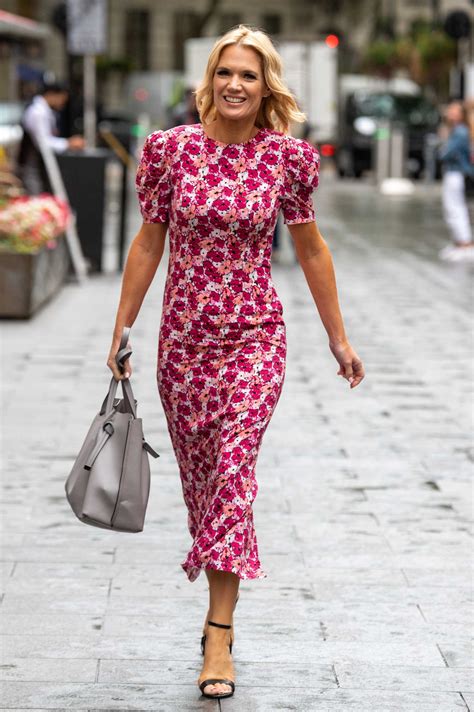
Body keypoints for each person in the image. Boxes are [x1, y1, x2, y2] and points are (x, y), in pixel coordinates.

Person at [106, 24, 365, 701]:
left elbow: (311, 251)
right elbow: (148, 243)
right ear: (209, 81)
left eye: (249, 74)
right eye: (226, 72)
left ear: (265, 86)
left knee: (232, 471)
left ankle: (219, 633)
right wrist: (122, 326)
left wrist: (339, 338)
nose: (236, 85)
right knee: (203, 483)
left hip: (256, 339)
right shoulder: (169, 152)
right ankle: (216, 610)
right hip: (183, 343)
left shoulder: (286, 159)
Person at [16, 82, 84, 195]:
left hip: (37, 166)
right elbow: (43, 143)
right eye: (62, 99)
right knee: (36, 199)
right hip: (32, 167)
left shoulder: (44, 111)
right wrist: (68, 143)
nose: (63, 103)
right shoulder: (38, 112)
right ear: (52, 95)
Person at [438, 100, 474, 261]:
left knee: (455, 209)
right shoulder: (459, 130)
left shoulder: (459, 132)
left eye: (453, 110)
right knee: (455, 208)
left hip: (457, 174)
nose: (449, 113)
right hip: (456, 173)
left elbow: (445, 153)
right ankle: (461, 242)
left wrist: (443, 148)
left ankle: (465, 243)